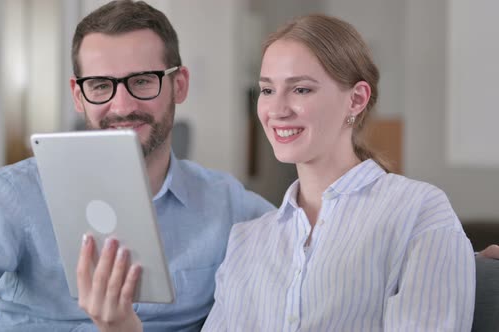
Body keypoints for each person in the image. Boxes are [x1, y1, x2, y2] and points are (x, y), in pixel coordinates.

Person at [0, 1, 274, 331]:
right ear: (78, 95)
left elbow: (313, 248)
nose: (121, 105)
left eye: (143, 81)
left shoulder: (227, 205)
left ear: (178, 85)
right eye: (100, 85)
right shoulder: (12, 193)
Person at [199, 14, 477, 331]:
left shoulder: (418, 210)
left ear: (356, 99)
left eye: (301, 89)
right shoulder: (245, 241)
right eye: (267, 90)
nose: (277, 110)